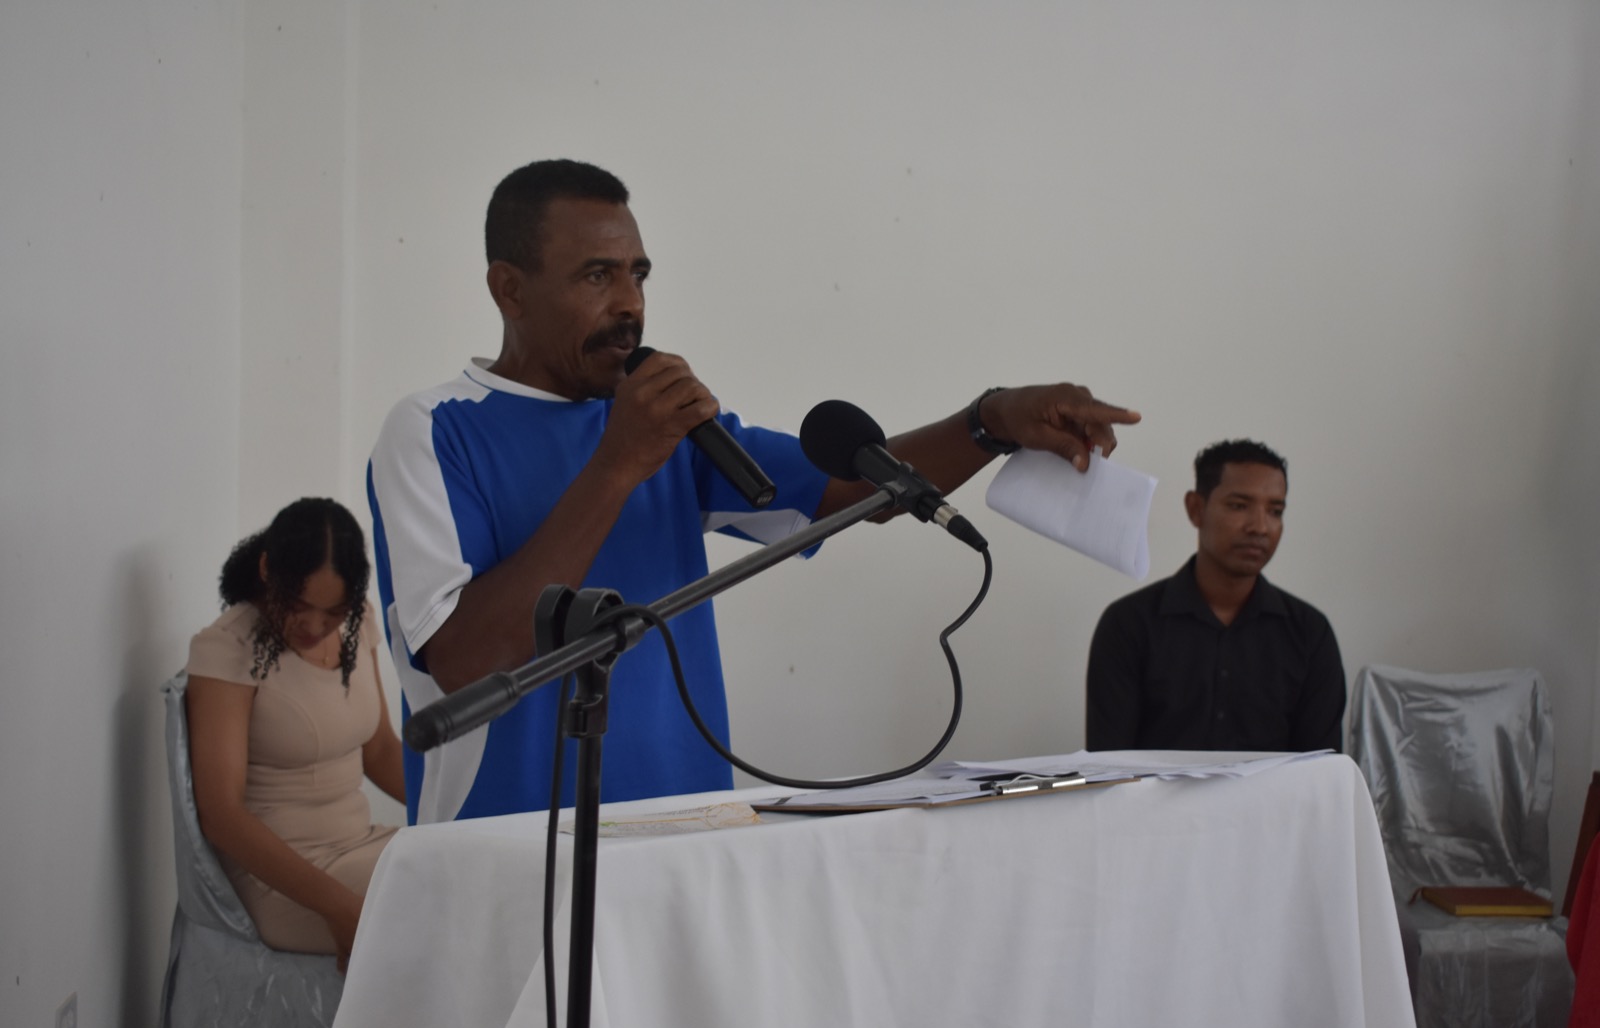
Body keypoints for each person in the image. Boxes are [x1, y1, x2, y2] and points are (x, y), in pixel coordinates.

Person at [367, 158, 1142, 824]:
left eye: (638, 274)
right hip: (508, 855)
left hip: (686, 834)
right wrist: (617, 464)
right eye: (597, 276)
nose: (630, 303)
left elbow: (851, 488)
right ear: (510, 289)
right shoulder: (434, 430)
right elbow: (463, 661)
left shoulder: (660, 426)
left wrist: (991, 419)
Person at [186, 497, 404, 970]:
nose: (315, 626)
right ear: (267, 571)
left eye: (334, 612)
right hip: (284, 879)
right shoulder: (228, 647)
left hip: (360, 844)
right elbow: (220, 815)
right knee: (436, 911)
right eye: (299, 605)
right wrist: (339, 907)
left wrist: (466, 815)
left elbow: (382, 751)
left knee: (473, 875)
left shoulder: (358, 623)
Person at [1084, 439, 1345, 752]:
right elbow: (1108, 767)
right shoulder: (1129, 625)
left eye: (1275, 511)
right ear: (1196, 509)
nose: (1260, 527)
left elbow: (1324, 770)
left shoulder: (1310, 634)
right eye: (1239, 506)